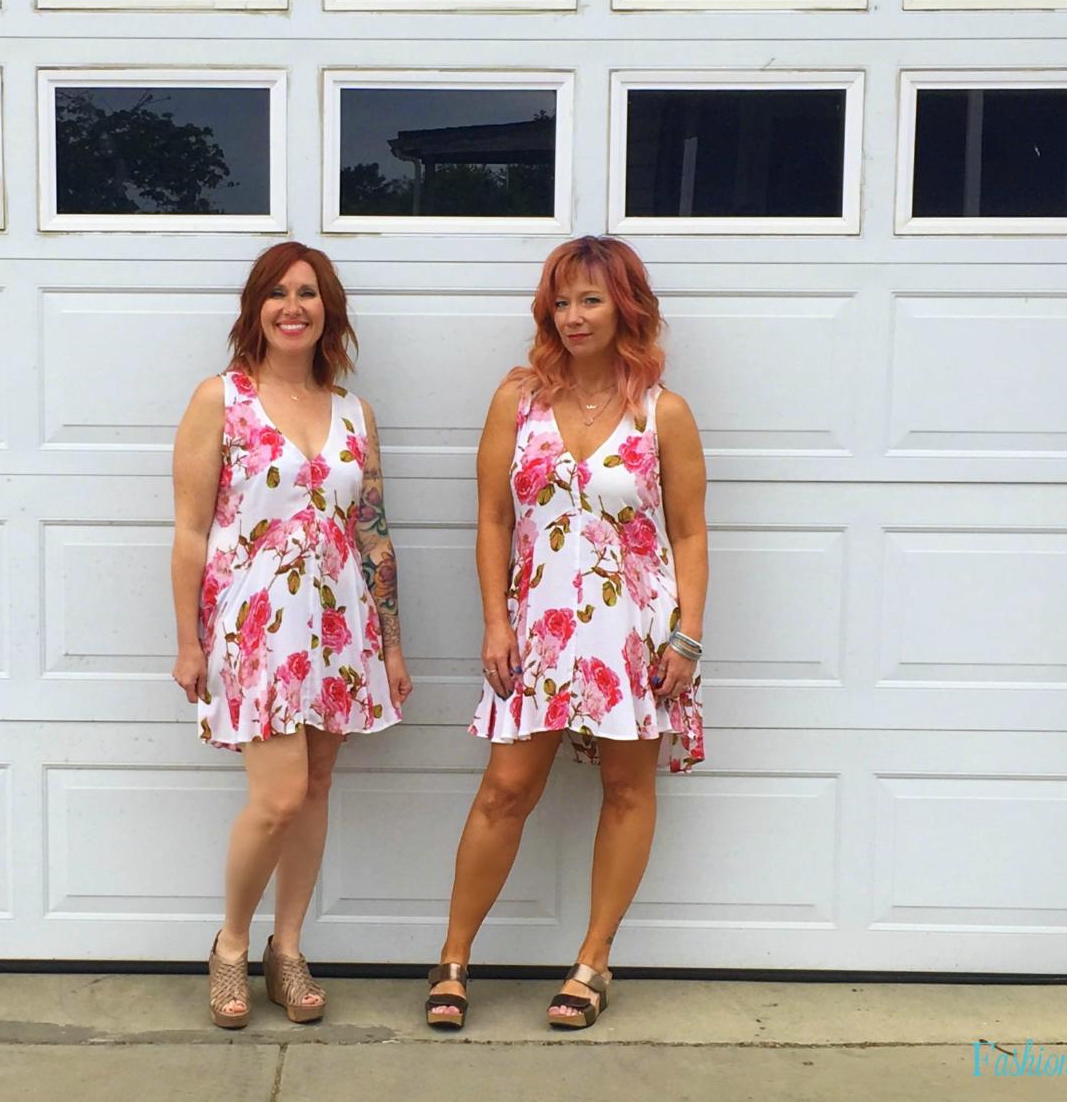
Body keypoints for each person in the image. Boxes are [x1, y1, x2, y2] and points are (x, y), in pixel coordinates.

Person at [424, 234, 707, 1033]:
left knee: (625, 790)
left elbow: (688, 532)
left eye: (591, 299)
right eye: (561, 300)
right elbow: (491, 516)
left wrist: (686, 636)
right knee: (505, 791)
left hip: (634, 631)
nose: (574, 316)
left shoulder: (665, 413)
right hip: (538, 627)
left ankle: (592, 961)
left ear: (627, 306)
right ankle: (452, 959)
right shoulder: (518, 398)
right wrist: (493, 620)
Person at [171, 241, 411, 1029]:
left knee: (315, 790)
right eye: (276, 293)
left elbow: (373, 532)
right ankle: (231, 945)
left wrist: (393, 644)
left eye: (308, 292)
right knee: (276, 797)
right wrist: (188, 641)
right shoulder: (222, 399)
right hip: (256, 624)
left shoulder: (354, 412)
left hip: (343, 627)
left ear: (327, 310)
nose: (293, 306)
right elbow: (188, 531)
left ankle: (289, 946)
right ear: (255, 309)